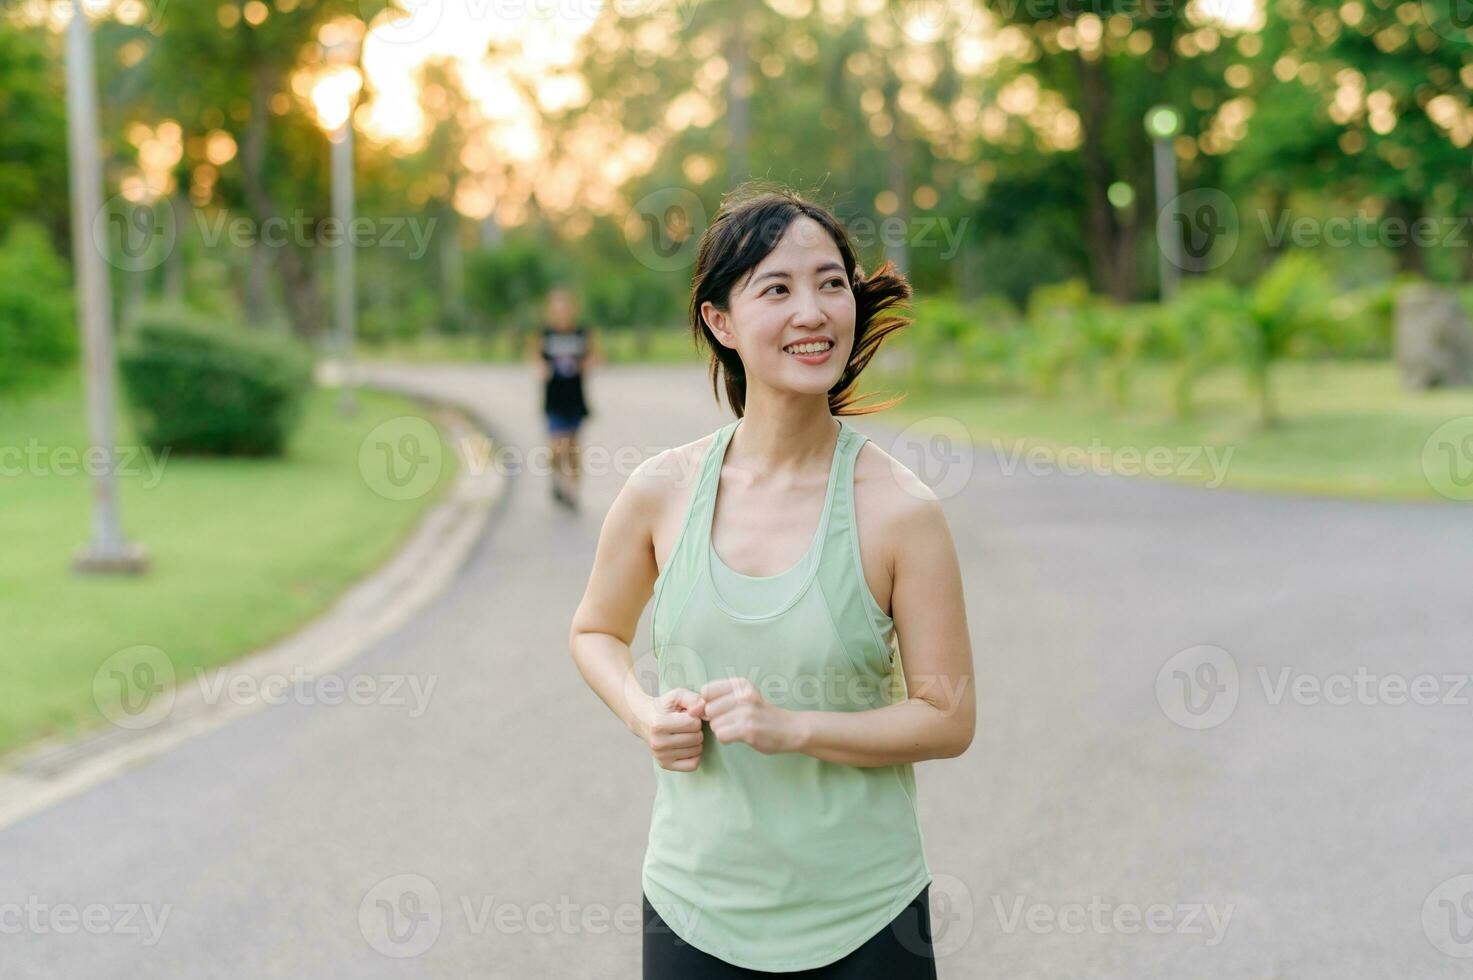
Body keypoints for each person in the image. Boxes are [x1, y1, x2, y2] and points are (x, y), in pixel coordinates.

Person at [568, 184, 975, 977]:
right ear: (720, 322)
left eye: (830, 283)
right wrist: (643, 713)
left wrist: (795, 727)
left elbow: (947, 717)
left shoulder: (900, 511)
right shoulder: (661, 490)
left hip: (866, 919)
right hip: (694, 912)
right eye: (776, 289)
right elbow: (594, 632)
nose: (813, 312)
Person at [530, 286, 600, 510]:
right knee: (556, 447)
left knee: (573, 447)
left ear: (572, 309)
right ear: (550, 310)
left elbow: (594, 355)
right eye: (556, 308)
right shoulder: (545, 334)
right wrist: (541, 368)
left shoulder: (581, 332)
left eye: (565, 307)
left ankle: (572, 491)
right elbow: (535, 358)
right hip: (554, 398)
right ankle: (556, 479)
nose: (561, 312)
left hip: (575, 398)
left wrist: (587, 364)